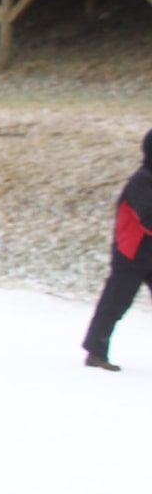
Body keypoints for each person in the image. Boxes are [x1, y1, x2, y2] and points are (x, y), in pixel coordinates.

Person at [81, 127, 152, 371]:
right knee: (115, 304)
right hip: (131, 253)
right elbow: (148, 218)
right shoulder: (143, 180)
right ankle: (96, 352)